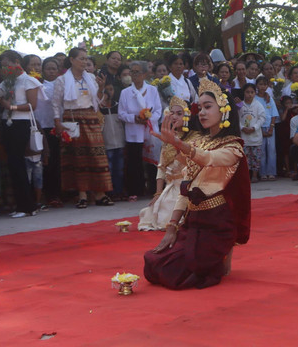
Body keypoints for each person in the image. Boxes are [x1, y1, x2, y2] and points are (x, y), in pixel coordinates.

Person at [144, 78, 250, 290]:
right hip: (192, 222)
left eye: (208, 107)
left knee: (177, 274)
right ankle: (208, 258)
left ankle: (219, 254)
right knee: (152, 263)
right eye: (199, 107)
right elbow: (186, 189)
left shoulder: (233, 147)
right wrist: (171, 228)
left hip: (217, 222)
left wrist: (178, 144)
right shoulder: (198, 142)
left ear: (224, 110)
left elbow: (208, 159)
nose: (201, 112)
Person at [53, 48, 114, 208]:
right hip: (72, 119)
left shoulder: (91, 78)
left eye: (86, 59)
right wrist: (57, 122)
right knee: (78, 158)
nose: (85, 62)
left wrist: (101, 89)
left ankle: (100, 193)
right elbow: (55, 104)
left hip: (91, 118)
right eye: (81, 58)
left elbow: (100, 102)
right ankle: (82, 194)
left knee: (97, 156)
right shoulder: (62, 80)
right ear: (72, 60)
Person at [139, 96, 199, 230]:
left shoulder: (195, 138)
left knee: (169, 217)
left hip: (187, 186)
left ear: (188, 115)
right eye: (172, 113)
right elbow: (161, 168)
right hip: (170, 188)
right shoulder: (167, 138)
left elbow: (194, 165)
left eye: (179, 113)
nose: (174, 117)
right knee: (149, 214)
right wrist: (158, 193)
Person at [0, 50, 42, 217]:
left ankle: (27, 206)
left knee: (18, 163)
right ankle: (21, 204)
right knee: (13, 165)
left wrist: (11, 107)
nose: (5, 69)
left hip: (21, 123)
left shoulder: (28, 80)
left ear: (17, 62)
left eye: (7, 65)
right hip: (7, 124)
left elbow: (32, 105)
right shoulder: (6, 82)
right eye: (2, 67)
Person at [118, 61, 162, 201]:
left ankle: (154, 189)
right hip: (134, 130)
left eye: (137, 72)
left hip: (150, 128)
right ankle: (135, 190)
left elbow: (158, 110)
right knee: (134, 161)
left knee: (153, 161)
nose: (134, 75)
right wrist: (134, 118)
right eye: (132, 72)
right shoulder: (125, 92)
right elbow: (121, 113)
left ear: (144, 74)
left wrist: (149, 119)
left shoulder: (152, 90)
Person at [37, 57, 62, 207]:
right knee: (45, 162)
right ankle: (46, 194)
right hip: (42, 127)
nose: (51, 71)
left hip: (58, 127)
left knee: (57, 162)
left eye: (54, 68)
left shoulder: (62, 84)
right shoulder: (38, 84)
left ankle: (57, 194)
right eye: (48, 68)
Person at [238, 83, 266, 183]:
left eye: (252, 92)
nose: (250, 94)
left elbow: (262, 118)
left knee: (256, 157)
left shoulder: (258, 105)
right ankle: (247, 175)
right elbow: (237, 119)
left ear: (255, 93)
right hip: (244, 135)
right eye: (247, 92)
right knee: (246, 158)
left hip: (255, 136)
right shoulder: (240, 105)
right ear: (244, 93)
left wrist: (255, 127)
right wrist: (242, 127)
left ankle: (254, 175)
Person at [254, 76, 279, 181]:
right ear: (257, 86)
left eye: (264, 84)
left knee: (272, 150)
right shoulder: (254, 99)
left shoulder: (269, 98)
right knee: (261, 151)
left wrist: (272, 127)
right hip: (259, 127)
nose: (262, 87)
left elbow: (274, 114)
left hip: (270, 127)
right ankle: (262, 173)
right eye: (260, 84)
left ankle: (271, 172)